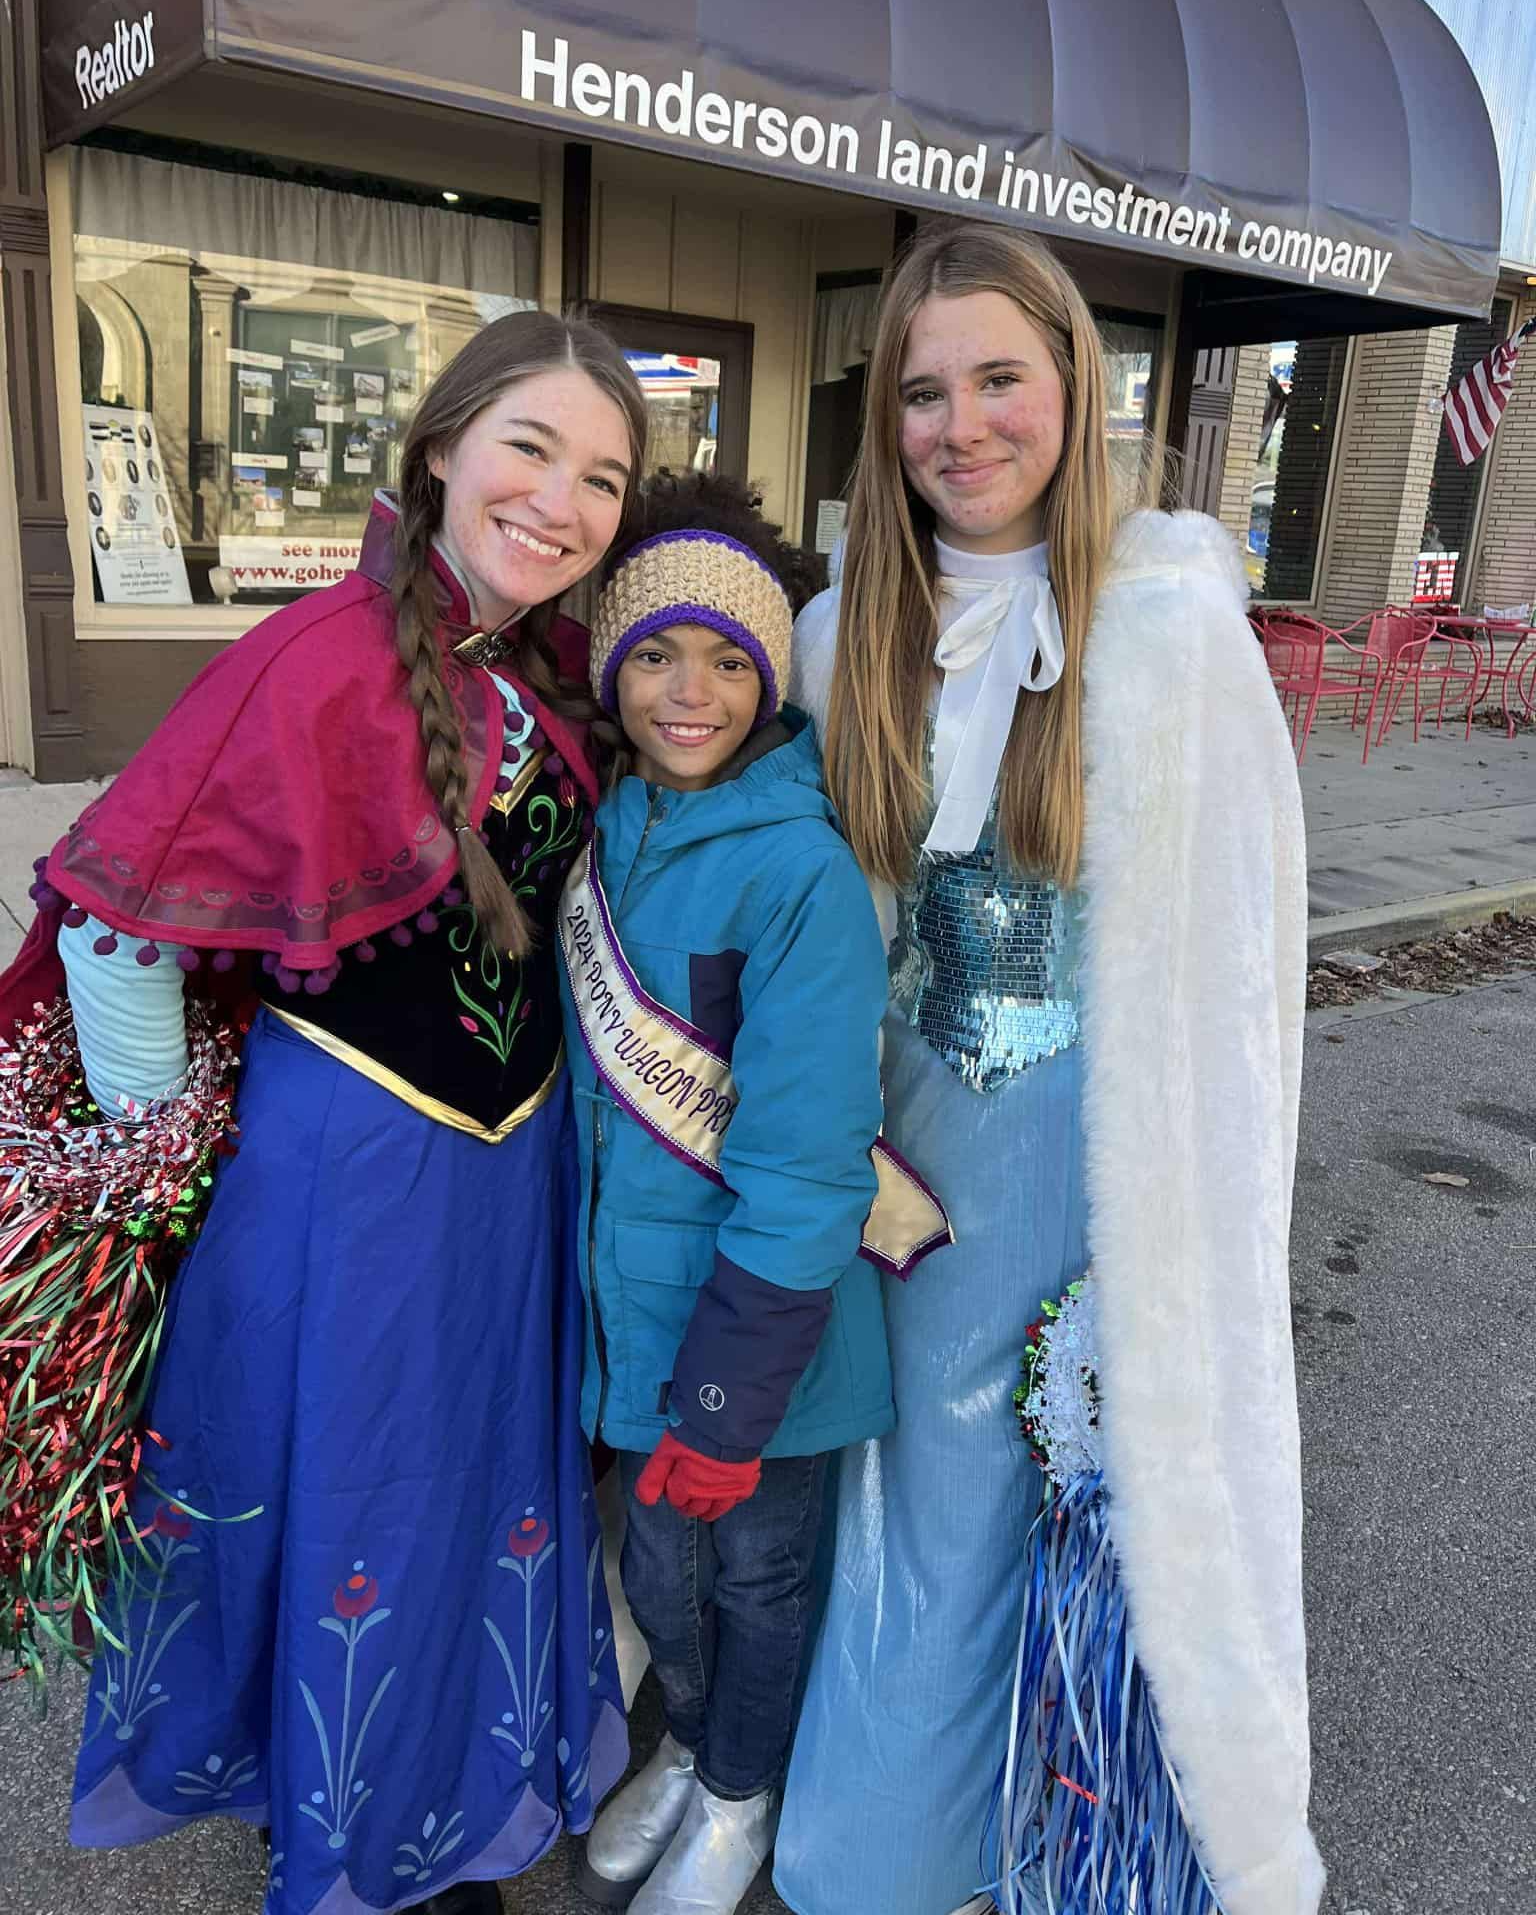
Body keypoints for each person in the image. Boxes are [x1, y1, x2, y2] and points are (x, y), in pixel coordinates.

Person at [7, 312, 648, 1915]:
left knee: (476, 1489)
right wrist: (163, 1167)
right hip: (342, 1183)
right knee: (352, 1488)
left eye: (602, 478)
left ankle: (439, 1802)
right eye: (530, 448)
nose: (559, 502)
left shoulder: (558, 673)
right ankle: (346, 1827)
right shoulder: (307, 661)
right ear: (439, 449)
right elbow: (112, 923)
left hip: (509, 1189)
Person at [774, 223, 1323, 1915]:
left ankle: (1063, 1834)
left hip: (1096, 1173)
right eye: (923, 392)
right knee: (906, 1486)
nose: (962, 424)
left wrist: (1193, 1247)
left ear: (1077, 385)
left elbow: (1237, 986)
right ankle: (880, 1841)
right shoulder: (832, 633)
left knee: (1068, 1496)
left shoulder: (1171, 635)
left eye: (1000, 377)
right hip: (899, 1161)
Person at [554, 473, 898, 1915]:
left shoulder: (800, 868)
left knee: (753, 1586)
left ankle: (739, 1798)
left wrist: (731, 1398)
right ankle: (694, 1751)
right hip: (632, 1320)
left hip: (760, 1346)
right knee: (658, 1579)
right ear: (607, 667)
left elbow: (810, 1162)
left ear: (770, 681)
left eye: (728, 660)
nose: (688, 693)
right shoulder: (604, 833)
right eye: (653, 653)